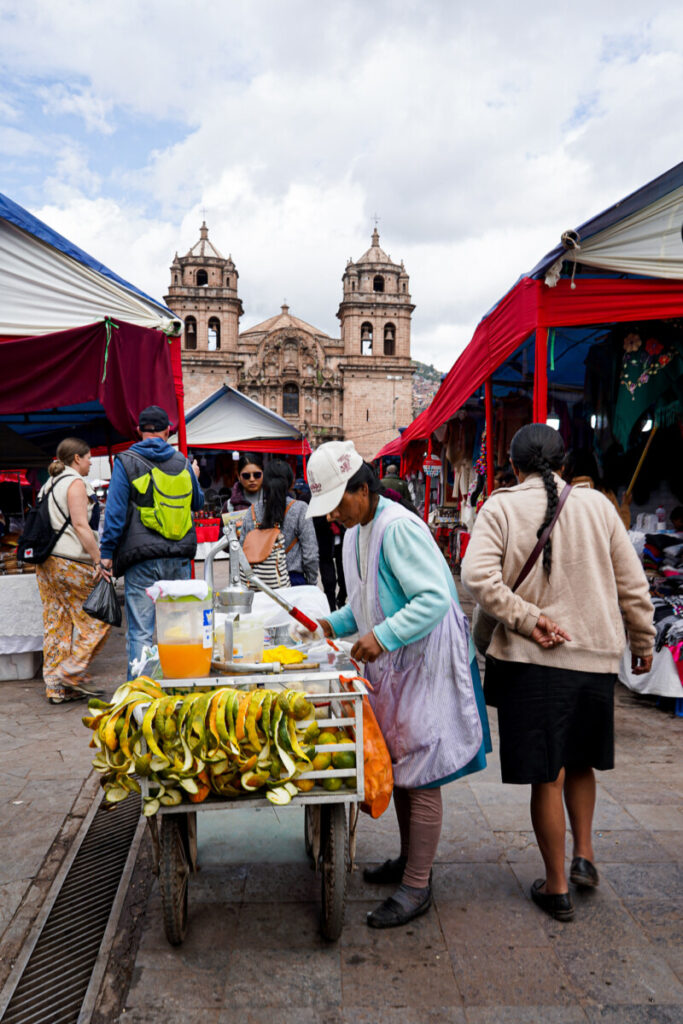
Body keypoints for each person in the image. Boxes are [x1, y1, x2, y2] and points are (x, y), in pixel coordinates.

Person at [461, 424, 655, 922]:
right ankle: (584, 854)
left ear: (512, 465)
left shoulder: (500, 506)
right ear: (564, 463)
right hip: (593, 659)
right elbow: (633, 585)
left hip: (532, 665)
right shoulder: (598, 507)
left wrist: (527, 619)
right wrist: (643, 642)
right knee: (582, 760)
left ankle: (556, 885)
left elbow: (476, 577)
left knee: (548, 775)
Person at [303, 441, 491, 929]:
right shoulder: (356, 533)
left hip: (427, 661)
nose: (334, 518)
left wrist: (382, 637)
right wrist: (329, 625)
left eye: (339, 505)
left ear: (363, 490)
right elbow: (365, 604)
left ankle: (417, 884)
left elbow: (432, 599)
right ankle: (410, 863)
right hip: (399, 663)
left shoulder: (398, 527)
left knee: (423, 771)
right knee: (404, 765)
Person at [99, 406, 204, 677]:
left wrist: (107, 552)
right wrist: (195, 476)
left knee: (141, 632)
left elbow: (115, 511)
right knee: (178, 629)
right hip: (179, 556)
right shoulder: (182, 461)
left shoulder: (126, 460)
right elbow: (198, 502)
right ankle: (180, 686)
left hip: (141, 558)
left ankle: (140, 698)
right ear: (168, 431)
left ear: (138, 431)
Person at [35, 438, 110, 704]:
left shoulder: (48, 485)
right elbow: (81, 525)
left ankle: (55, 687)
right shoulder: (75, 483)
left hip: (45, 563)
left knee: (57, 622)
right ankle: (72, 669)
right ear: (77, 459)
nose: (91, 462)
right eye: (89, 457)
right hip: (68, 559)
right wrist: (98, 559)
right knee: (99, 617)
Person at [240, 460, 318, 586]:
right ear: (291, 483)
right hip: (294, 583)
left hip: (259, 583)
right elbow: (310, 554)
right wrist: (311, 582)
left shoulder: (252, 511)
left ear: (264, 483)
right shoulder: (300, 509)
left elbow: (241, 551)